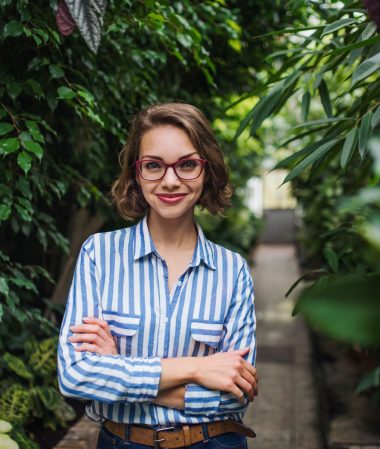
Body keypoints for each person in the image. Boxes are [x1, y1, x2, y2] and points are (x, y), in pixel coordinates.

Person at [57, 102, 258, 449]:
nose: (169, 180)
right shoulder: (100, 255)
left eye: (187, 165)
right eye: (153, 165)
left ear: (206, 170)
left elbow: (235, 397)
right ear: (137, 173)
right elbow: (76, 376)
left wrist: (118, 369)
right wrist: (195, 369)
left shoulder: (232, 270)